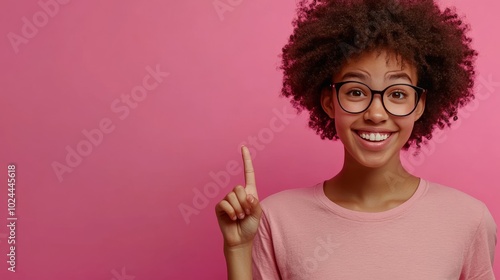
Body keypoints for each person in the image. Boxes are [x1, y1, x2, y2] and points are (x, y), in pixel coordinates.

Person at [215, 0, 498, 279]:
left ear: (420, 104)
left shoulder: (467, 220)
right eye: (356, 92)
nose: (376, 113)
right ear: (329, 101)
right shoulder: (276, 219)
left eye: (397, 94)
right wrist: (238, 248)